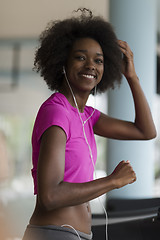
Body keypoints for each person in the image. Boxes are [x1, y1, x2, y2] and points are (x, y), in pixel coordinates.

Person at [22, 8, 156, 240]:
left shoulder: (88, 116)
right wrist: (112, 181)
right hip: (53, 235)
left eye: (99, 60)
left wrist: (131, 77)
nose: (91, 65)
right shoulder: (57, 112)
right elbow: (50, 196)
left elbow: (145, 131)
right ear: (62, 61)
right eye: (80, 57)